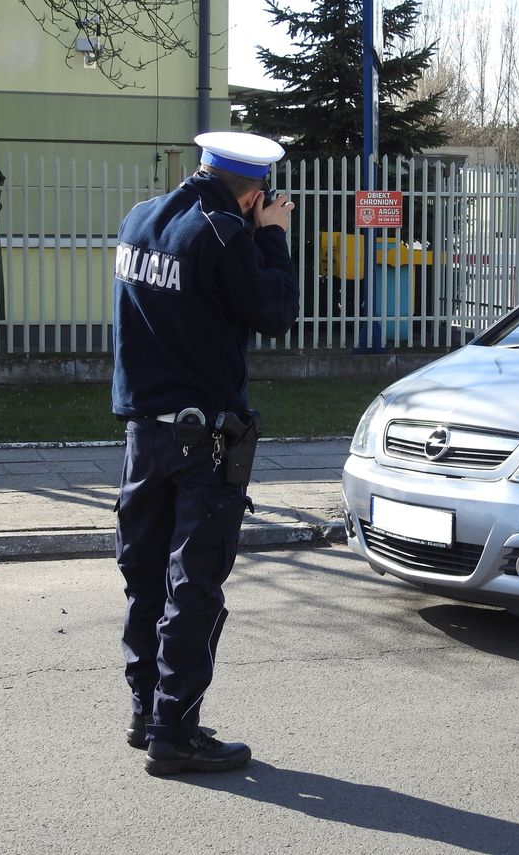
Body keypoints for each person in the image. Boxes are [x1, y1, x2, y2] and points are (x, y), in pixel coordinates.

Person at [111, 131, 298, 776]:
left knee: (145, 576)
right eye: (263, 201)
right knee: (194, 585)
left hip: (145, 432)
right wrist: (272, 237)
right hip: (204, 440)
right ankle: (176, 732)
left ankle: (145, 711)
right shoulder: (224, 234)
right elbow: (273, 311)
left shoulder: (141, 219)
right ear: (253, 194)